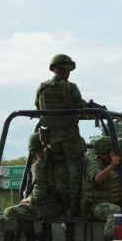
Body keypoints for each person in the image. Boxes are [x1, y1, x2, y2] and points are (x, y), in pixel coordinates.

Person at [35, 54, 87, 218]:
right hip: (70, 139)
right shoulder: (70, 87)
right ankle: (73, 207)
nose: (68, 72)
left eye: (70, 68)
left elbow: (38, 107)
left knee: (57, 172)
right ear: (58, 69)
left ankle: (60, 205)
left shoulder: (42, 87)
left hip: (51, 140)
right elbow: (80, 106)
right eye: (66, 68)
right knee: (74, 172)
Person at [0, 133, 63, 241]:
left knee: (10, 211)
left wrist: (27, 200)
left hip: (47, 208)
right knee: (24, 214)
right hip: (59, 206)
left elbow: (39, 191)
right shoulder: (58, 163)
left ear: (33, 150)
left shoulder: (39, 165)